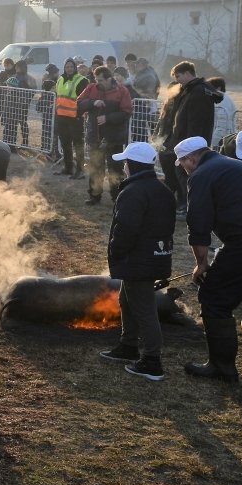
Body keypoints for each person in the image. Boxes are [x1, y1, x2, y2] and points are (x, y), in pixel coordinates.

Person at [175, 136, 242, 383]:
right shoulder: (239, 166)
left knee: (214, 298)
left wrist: (201, 263)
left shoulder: (201, 175)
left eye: (182, 164)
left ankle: (222, 367)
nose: (183, 169)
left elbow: (199, 226)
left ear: (190, 159)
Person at [97, 141, 174, 381]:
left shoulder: (132, 192)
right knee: (126, 300)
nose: (124, 167)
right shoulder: (163, 190)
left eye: (126, 163)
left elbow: (126, 229)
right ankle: (128, 345)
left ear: (131, 164)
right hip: (155, 256)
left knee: (144, 309)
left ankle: (152, 362)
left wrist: (117, 252)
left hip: (137, 259)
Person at [155, 61, 221, 217]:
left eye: (178, 76)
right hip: (180, 142)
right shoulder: (190, 91)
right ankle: (180, 202)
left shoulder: (198, 92)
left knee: (185, 175)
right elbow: (175, 118)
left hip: (189, 145)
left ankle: (187, 205)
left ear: (186, 73)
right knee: (177, 174)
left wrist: (191, 148)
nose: (177, 80)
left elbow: (195, 122)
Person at [77, 66, 132, 206]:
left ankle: (117, 197)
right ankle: (94, 196)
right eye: (96, 79)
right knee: (96, 167)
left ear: (109, 79)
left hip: (114, 137)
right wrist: (92, 103)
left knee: (115, 168)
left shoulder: (122, 91)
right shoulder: (91, 88)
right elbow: (78, 103)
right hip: (95, 135)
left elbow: (126, 112)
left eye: (100, 79)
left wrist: (108, 118)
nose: (97, 82)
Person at [53, 59, 88, 180]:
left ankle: (80, 170)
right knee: (65, 144)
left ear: (75, 68)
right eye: (67, 66)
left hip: (75, 118)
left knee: (78, 144)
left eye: (71, 66)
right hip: (62, 117)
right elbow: (59, 97)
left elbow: (84, 100)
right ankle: (68, 168)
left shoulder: (82, 80)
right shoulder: (61, 79)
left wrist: (79, 114)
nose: (69, 69)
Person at [208, 77, 235, 148]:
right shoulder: (224, 99)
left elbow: (222, 125)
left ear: (219, 88)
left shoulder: (221, 102)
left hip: (223, 139)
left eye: (210, 88)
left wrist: (213, 142)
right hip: (227, 137)